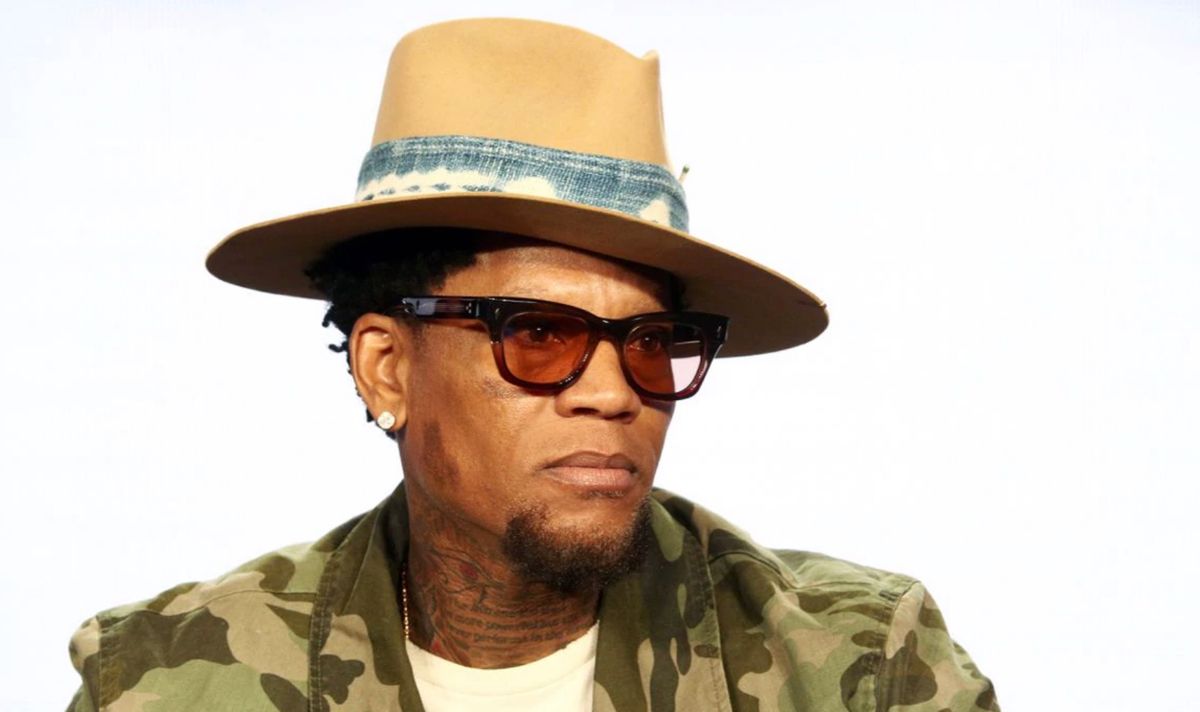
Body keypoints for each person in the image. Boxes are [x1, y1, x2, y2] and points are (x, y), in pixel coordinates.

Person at [66, 18, 998, 712]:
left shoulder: (854, 673)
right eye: (539, 335)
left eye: (651, 342)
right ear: (386, 368)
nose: (614, 394)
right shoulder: (169, 683)